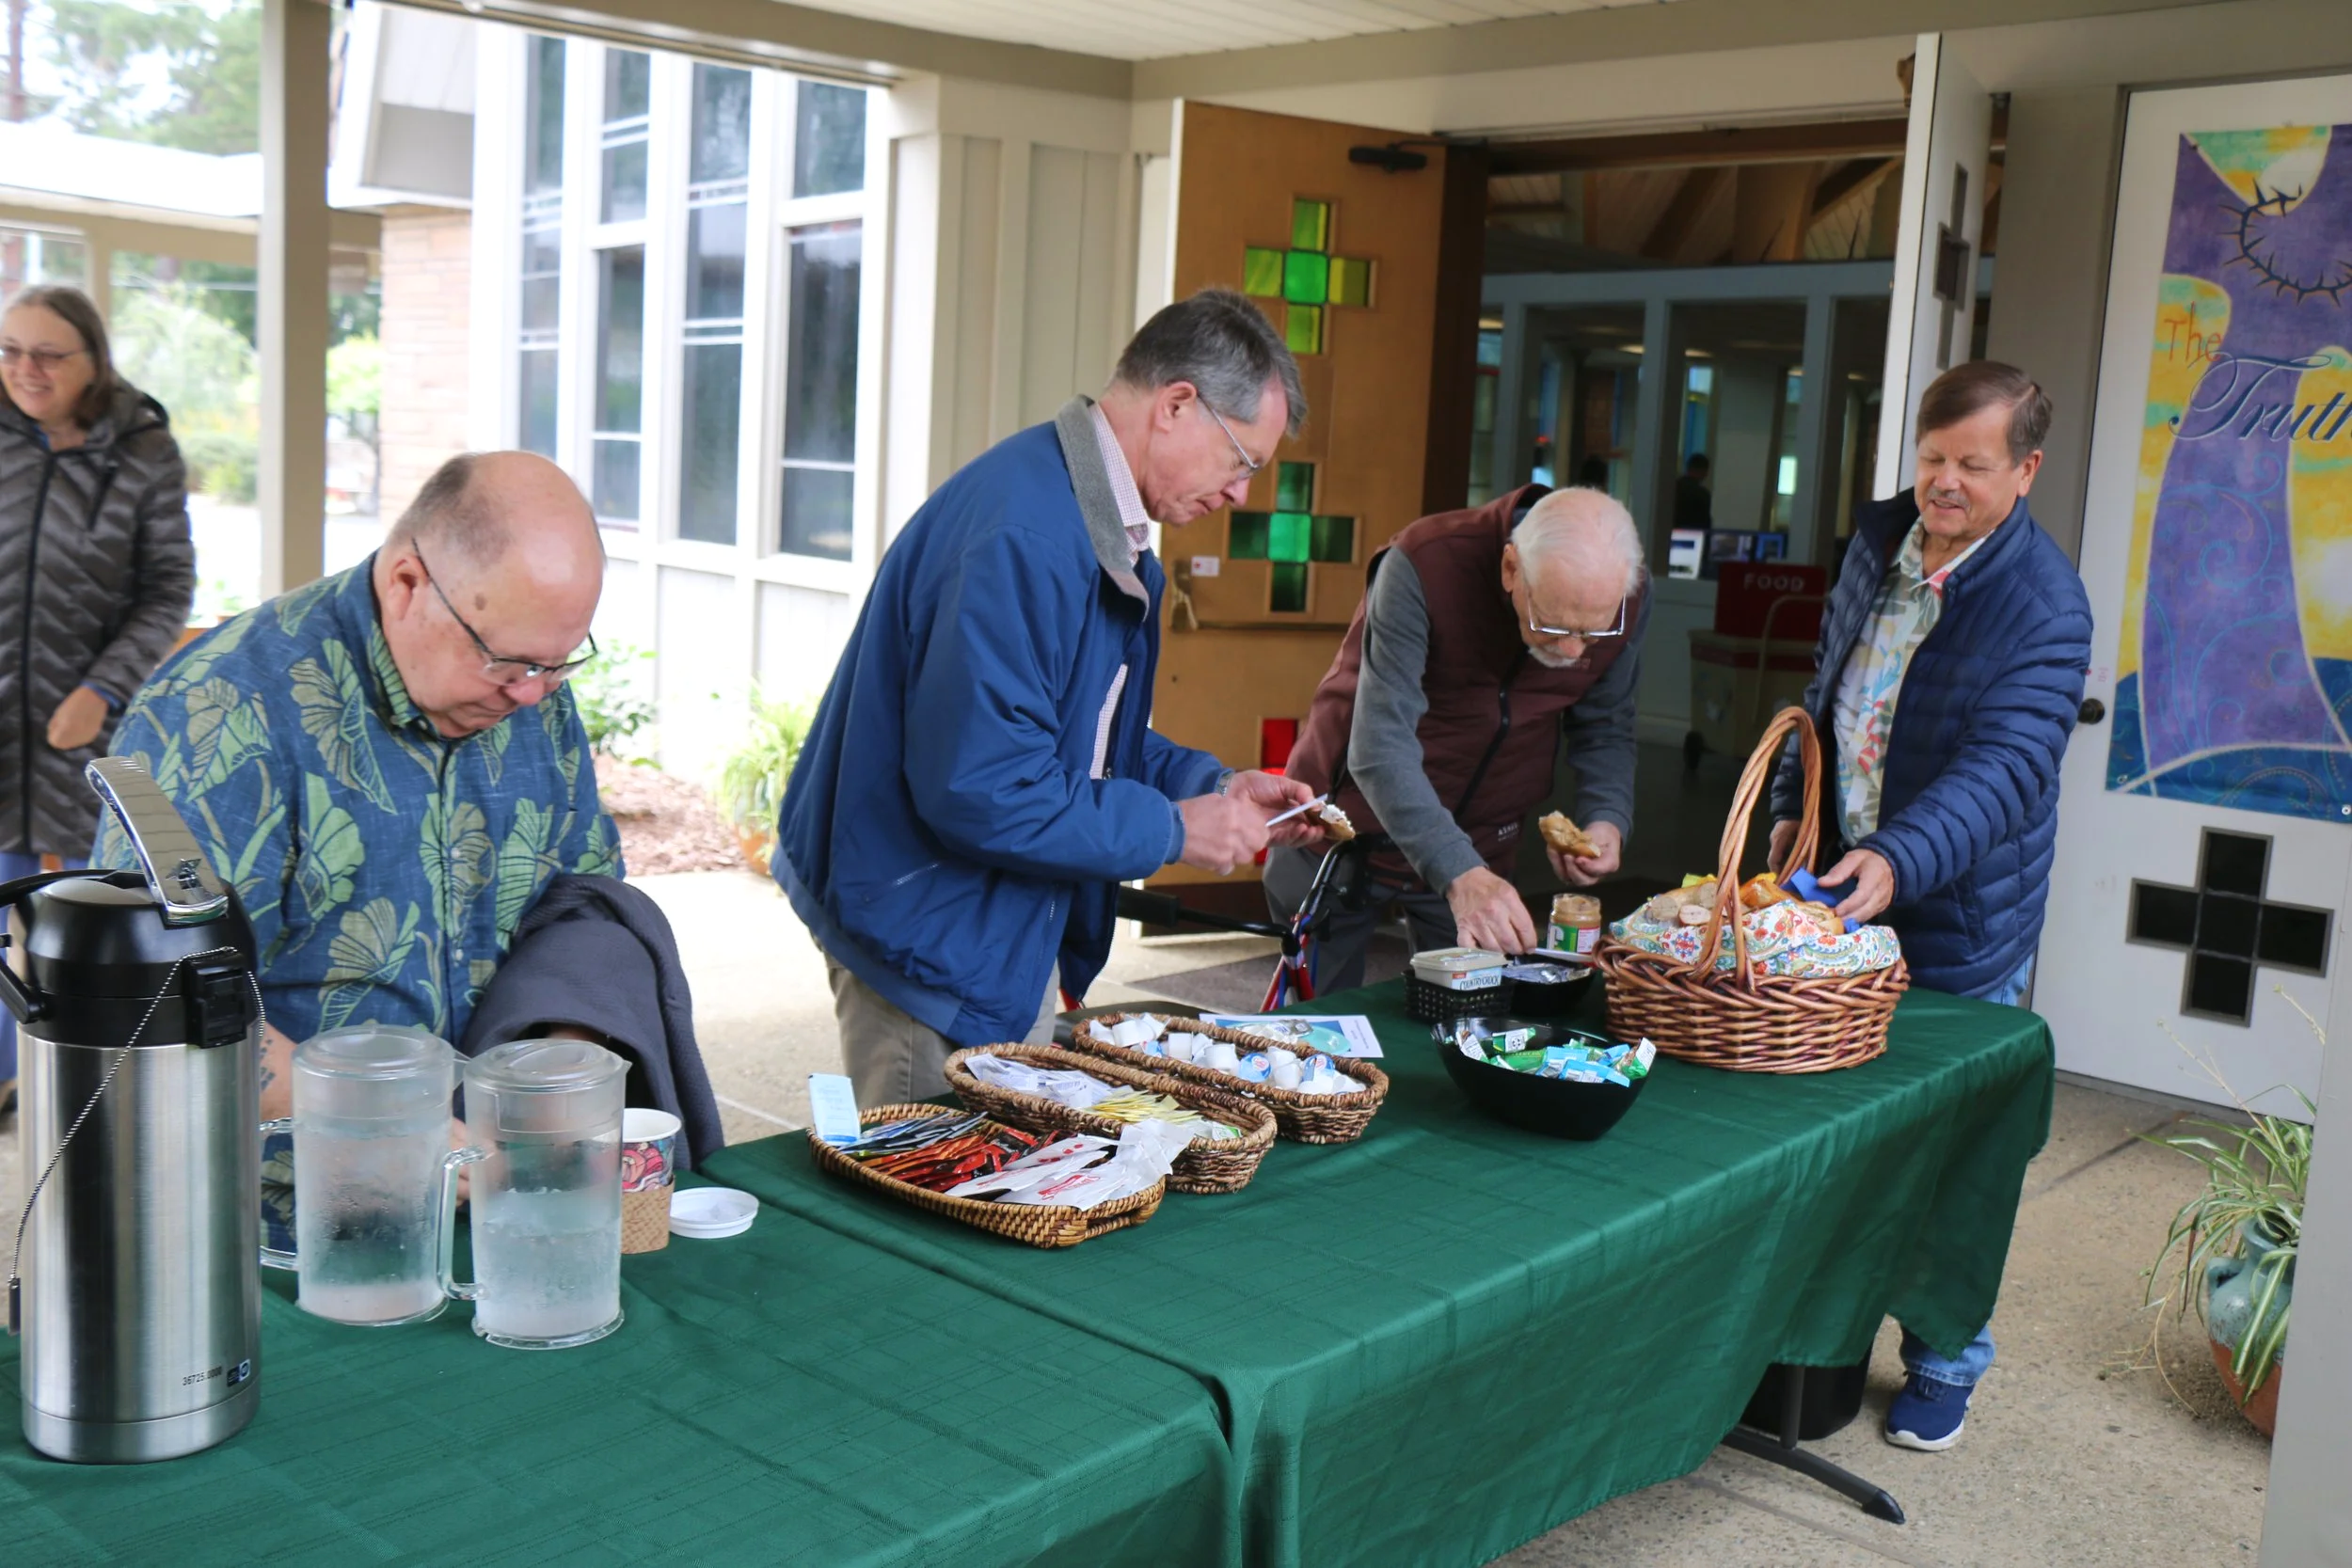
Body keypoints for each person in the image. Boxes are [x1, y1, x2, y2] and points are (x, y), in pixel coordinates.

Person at [777, 289, 1322, 1104]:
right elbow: (986, 787)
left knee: (998, 1188)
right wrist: (1173, 829)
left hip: (988, 923)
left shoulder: (1098, 522)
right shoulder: (1026, 535)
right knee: (942, 1207)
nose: (1243, 493)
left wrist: (1210, 787)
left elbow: (1084, 738)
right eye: (1243, 460)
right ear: (1177, 404)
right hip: (934, 936)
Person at [98, 452, 719, 1161]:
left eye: (557, 664)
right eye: (505, 661)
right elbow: (161, 994)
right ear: (406, 583)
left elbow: (582, 903)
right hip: (281, 1213)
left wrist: (556, 1070)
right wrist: (383, 1124)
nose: (529, 694)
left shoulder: (529, 685)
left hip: (501, 1180)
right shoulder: (216, 713)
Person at [1768, 359, 2092, 1453]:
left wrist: (1897, 862)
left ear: (2027, 469)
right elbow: (1826, 693)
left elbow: (2004, 770)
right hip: (1841, 883)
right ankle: (1808, 1333)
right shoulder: (1877, 542)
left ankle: (1947, 1355)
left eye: (1971, 465)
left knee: (1955, 1158)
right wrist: (1791, 813)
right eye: (1929, 459)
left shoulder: (2047, 606)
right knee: (1834, 1129)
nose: (1941, 484)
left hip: (1954, 914)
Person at [1272, 485, 1650, 987]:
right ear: (1511, 568)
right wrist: (1459, 873)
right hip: (1346, 830)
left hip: (1481, 844)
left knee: (1472, 1025)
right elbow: (1380, 746)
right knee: (1319, 1031)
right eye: (1552, 624)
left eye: (1591, 633)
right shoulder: (1424, 564)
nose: (1570, 648)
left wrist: (1606, 816)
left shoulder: (1625, 594)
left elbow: (1606, 722)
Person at [0, 284, 195, 1118]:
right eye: (9, 349)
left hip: (86, 725)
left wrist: (103, 686)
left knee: (85, 910)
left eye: (48, 353)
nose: (25, 369)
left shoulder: (144, 451)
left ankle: (75, 1086)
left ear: (93, 361)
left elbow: (167, 588)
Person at [1673, 451, 1714, 532]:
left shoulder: (1673, 487)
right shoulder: (1702, 494)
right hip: (1693, 537)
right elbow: (1704, 525)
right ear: (1704, 471)